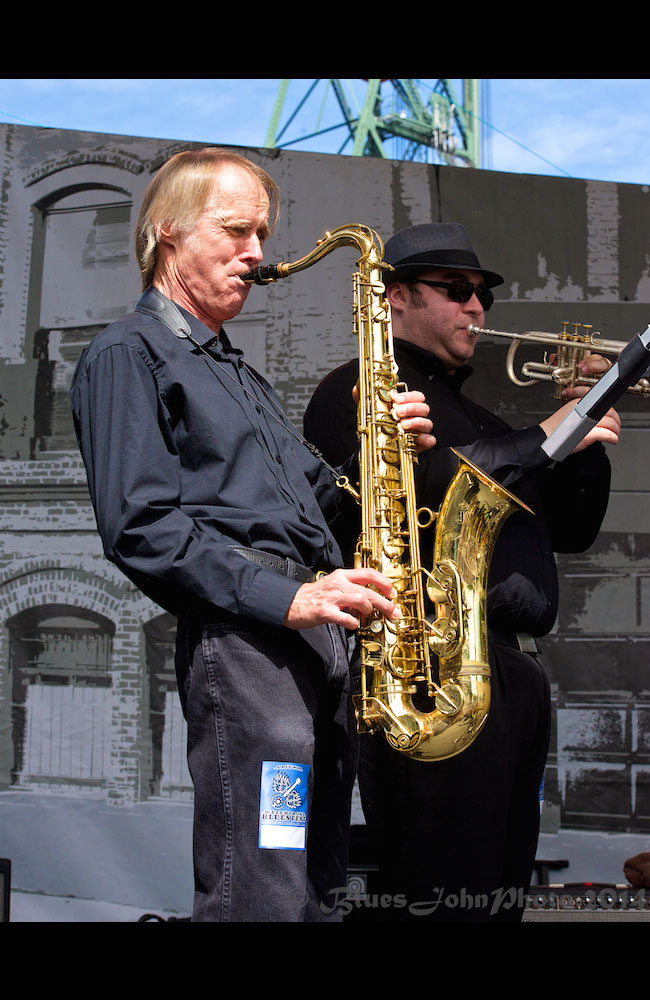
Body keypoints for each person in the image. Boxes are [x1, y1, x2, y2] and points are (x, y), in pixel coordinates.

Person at [69, 148, 435, 923]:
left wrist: (379, 458)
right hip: (252, 649)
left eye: (262, 233)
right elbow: (140, 528)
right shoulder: (127, 352)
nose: (258, 252)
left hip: (313, 641)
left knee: (315, 887)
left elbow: (316, 510)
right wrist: (289, 599)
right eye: (236, 230)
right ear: (168, 232)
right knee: (262, 887)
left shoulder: (238, 371)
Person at [304, 222, 620, 922]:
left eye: (483, 295)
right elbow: (407, 493)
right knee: (447, 892)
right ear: (397, 296)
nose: (476, 307)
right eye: (456, 290)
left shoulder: (483, 416)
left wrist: (586, 435)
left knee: (498, 895)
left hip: (511, 672)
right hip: (432, 669)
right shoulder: (356, 389)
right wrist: (546, 436)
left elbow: (571, 531)